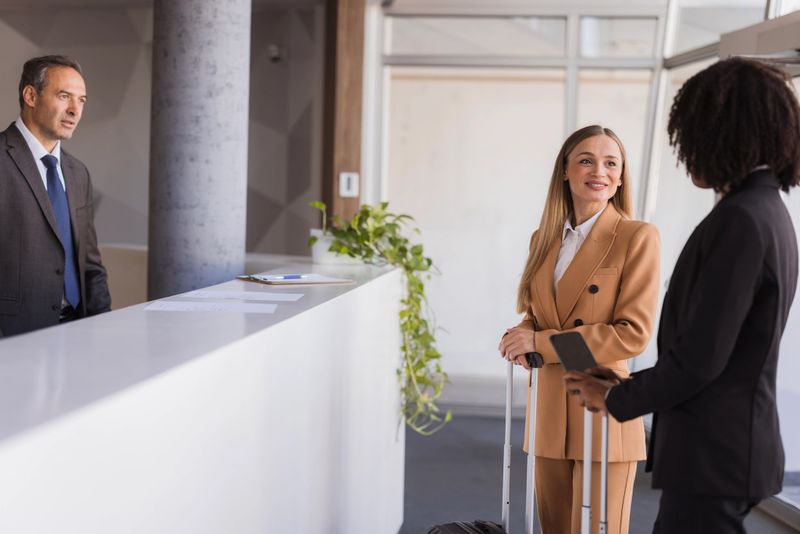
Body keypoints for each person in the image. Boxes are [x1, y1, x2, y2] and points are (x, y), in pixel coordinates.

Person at [564, 58, 800, 534]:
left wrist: (617, 396)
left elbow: (700, 355)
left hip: (715, 451)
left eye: (690, 135)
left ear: (721, 133)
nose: (684, 152)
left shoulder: (741, 220)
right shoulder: (760, 210)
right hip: (715, 446)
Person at [498, 124, 660, 534]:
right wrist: (520, 335)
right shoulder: (544, 239)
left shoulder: (636, 237)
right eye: (586, 160)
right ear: (565, 171)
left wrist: (541, 343)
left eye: (611, 163)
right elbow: (541, 313)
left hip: (603, 407)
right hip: (549, 410)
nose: (599, 171)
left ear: (621, 177)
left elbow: (631, 334)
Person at [0, 55, 110, 338]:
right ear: (31, 96)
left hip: (77, 330)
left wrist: (105, 328)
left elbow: (90, 264)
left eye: (82, 100)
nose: (75, 110)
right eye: (64, 96)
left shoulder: (78, 172)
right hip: (14, 336)